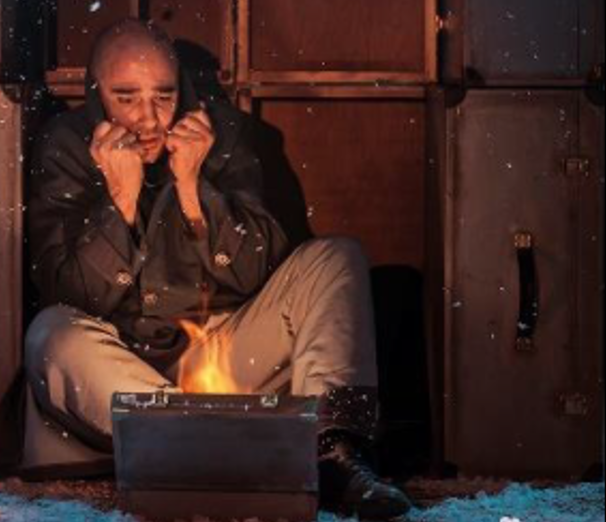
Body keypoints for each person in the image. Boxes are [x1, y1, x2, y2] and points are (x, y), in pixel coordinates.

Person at [24, 18, 412, 520]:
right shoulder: (64, 144)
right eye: (126, 98)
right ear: (97, 94)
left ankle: (333, 453)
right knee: (50, 332)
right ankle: (203, 449)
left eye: (163, 96)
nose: (149, 119)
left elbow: (252, 272)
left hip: (224, 355)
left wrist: (193, 191)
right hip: (120, 371)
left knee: (337, 258)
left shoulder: (221, 133)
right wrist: (119, 202)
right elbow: (72, 294)